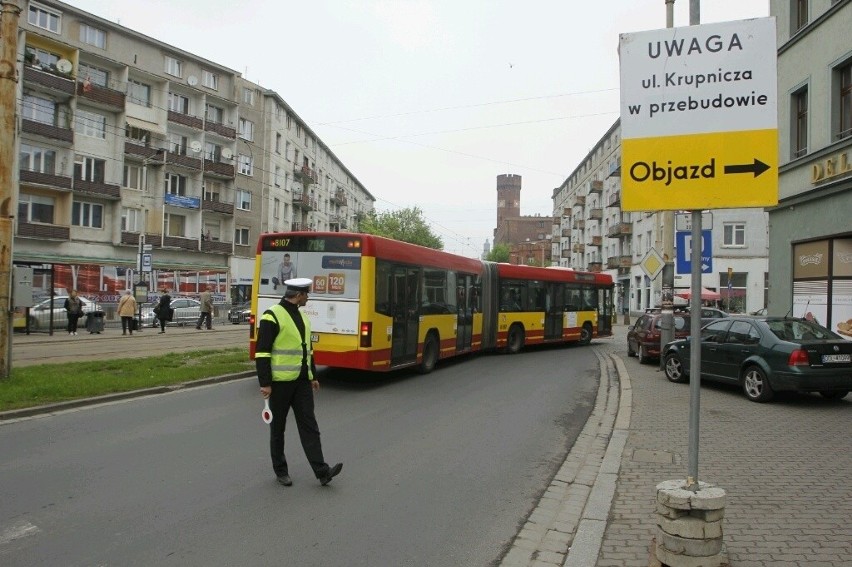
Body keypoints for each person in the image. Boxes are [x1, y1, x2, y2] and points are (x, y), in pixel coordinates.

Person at [255, 277, 342, 487]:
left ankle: (322, 471)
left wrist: (312, 376)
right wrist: (265, 383)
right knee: (278, 429)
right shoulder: (272, 316)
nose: (308, 298)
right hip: (279, 383)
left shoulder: (303, 318)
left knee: (310, 427)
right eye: (307, 294)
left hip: (302, 383)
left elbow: (307, 350)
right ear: (299, 295)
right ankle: (281, 471)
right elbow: (262, 352)